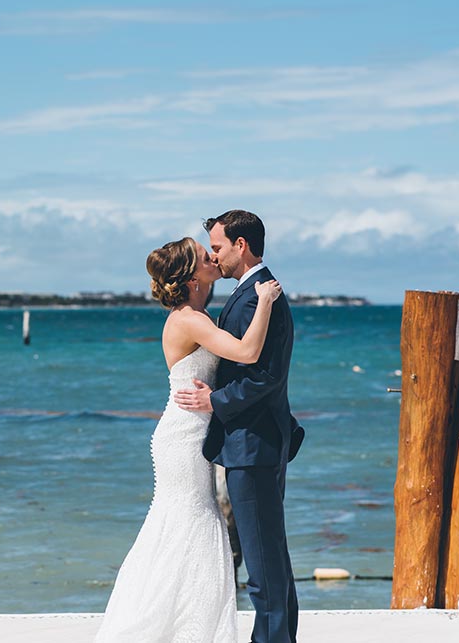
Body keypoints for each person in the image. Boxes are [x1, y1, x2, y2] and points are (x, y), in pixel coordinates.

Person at [95, 235, 283, 642]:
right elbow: (247, 352)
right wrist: (265, 300)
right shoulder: (189, 319)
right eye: (204, 256)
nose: (212, 257)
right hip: (183, 437)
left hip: (191, 429)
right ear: (192, 276)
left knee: (186, 527)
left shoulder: (197, 314)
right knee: (190, 525)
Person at [174, 210, 305, 643]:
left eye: (217, 247)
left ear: (241, 246)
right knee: (271, 557)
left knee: (263, 567)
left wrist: (215, 400)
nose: (214, 255)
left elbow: (263, 375)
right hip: (259, 440)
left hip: (254, 444)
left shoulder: (254, 297)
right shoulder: (250, 293)